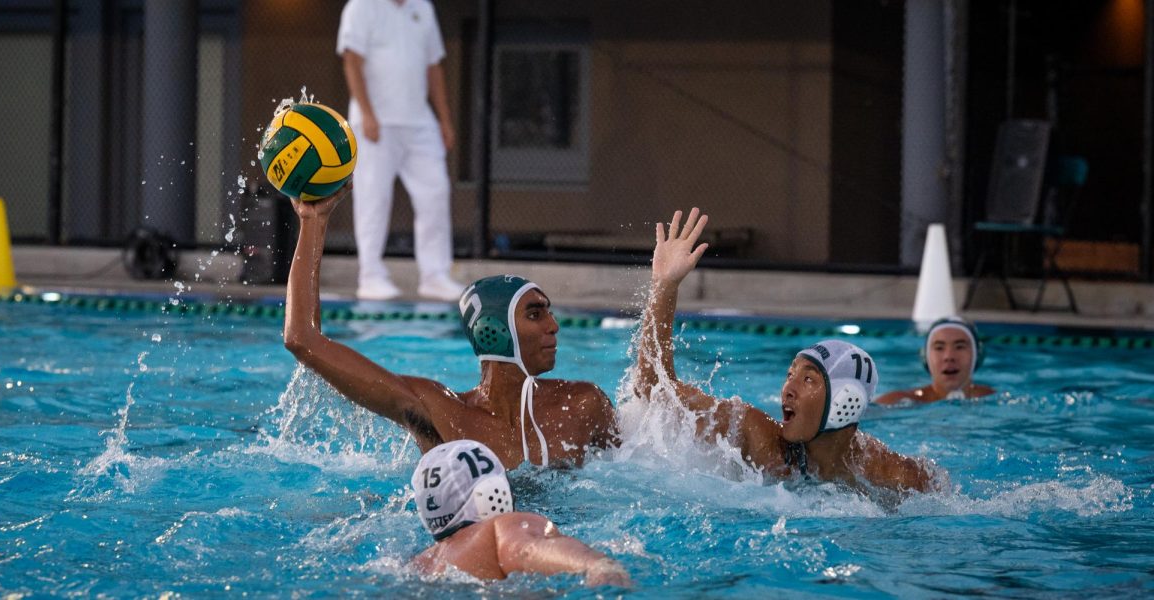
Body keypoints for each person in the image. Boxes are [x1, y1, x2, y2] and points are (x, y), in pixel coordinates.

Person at [283, 185, 619, 469]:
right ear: (493, 331)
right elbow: (303, 339)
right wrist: (313, 221)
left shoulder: (582, 404)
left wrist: (663, 286)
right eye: (535, 314)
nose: (554, 325)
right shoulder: (440, 411)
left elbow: (643, 457)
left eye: (548, 312)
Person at [635, 208, 942, 493]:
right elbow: (653, 391)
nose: (788, 389)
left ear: (846, 400)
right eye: (790, 374)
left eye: (808, 379)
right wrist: (665, 286)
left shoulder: (894, 474)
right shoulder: (757, 438)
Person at [336, 0, 463, 301]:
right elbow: (351, 61)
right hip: (375, 122)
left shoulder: (424, 8)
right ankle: (370, 275)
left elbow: (434, 68)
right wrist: (367, 113)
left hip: (419, 121)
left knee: (435, 192)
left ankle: (435, 275)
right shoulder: (361, 7)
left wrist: (444, 120)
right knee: (373, 197)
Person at [410, 439, 631, 586]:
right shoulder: (497, 529)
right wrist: (598, 565)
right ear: (493, 491)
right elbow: (526, 549)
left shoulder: (420, 565)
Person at [876, 316, 995, 405]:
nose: (949, 356)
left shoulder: (993, 399)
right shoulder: (897, 402)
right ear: (925, 357)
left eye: (960, 347)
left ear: (977, 355)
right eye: (939, 348)